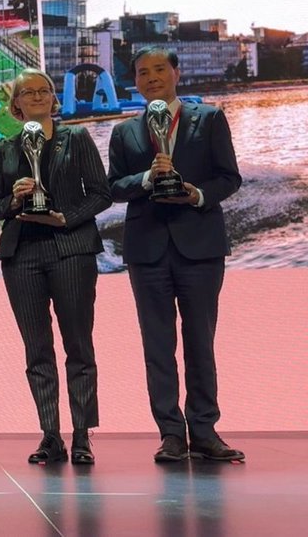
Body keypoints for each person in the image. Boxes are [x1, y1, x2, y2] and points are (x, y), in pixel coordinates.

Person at [107, 48, 244, 463]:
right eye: (142, 72)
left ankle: (204, 430)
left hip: (199, 245)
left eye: (158, 70)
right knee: (157, 345)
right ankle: (170, 434)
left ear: (175, 73)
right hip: (147, 250)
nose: (150, 78)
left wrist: (197, 194)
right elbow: (114, 187)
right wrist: (148, 177)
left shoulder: (210, 118)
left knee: (200, 341)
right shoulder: (125, 132)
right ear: (135, 81)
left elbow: (229, 177)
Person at [0, 69, 110, 464]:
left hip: (71, 249)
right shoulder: (5, 150)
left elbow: (102, 194)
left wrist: (66, 218)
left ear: (54, 99)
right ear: (16, 103)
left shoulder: (78, 138)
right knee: (36, 349)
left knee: (78, 345)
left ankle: (83, 436)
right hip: (21, 256)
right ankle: (50, 434)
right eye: (27, 92)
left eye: (44, 90)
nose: (37, 96)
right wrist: (14, 202)